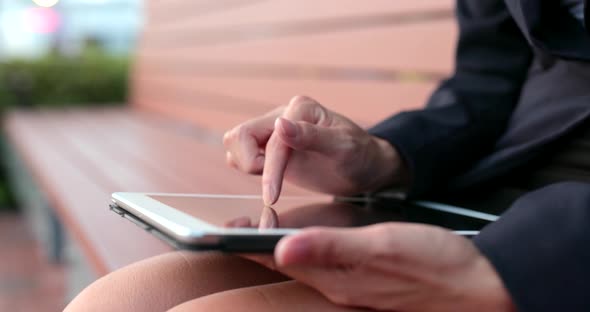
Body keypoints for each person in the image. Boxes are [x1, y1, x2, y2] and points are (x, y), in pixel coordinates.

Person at [65, 0, 590, 311]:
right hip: (496, 191)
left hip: (565, 237)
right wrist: (383, 156)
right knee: (116, 303)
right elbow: (490, 74)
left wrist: (520, 267)